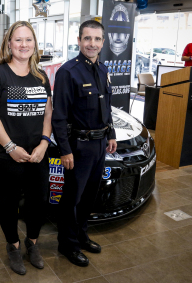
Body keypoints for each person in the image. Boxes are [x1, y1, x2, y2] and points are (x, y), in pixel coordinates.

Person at [0, 21, 52, 275]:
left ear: (35, 44)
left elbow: (47, 114)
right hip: (5, 155)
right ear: (9, 44)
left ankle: (32, 243)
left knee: (39, 202)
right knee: (9, 204)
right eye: (18, 40)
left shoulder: (41, 76)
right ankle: (13, 246)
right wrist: (11, 147)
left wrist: (44, 143)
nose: (24, 45)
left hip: (37, 154)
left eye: (28, 40)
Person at [52, 20, 117, 267]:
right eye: (87, 38)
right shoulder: (68, 71)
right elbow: (59, 116)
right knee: (72, 198)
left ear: (103, 42)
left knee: (89, 196)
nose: (92, 43)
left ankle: (81, 235)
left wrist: (110, 134)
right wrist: (65, 151)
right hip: (78, 147)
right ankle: (67, 244)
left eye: (97, 39)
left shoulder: (102, 69)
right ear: (79, 41)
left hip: (100, 145)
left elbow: (106, 107)